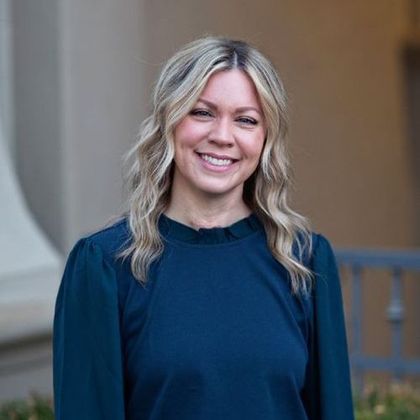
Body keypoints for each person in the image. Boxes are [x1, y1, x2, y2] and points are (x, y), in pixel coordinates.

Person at [53, 37, 354, 420]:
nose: (223, 136)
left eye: (246, 119)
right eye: (202, 112)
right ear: (169, 121)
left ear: (265, 139)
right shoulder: (106, 266)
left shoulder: (305, 261)